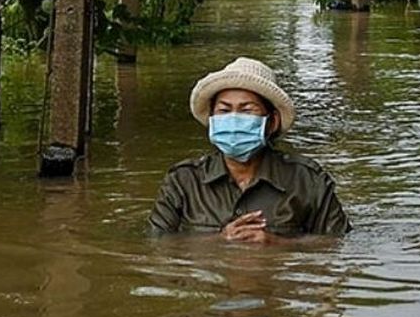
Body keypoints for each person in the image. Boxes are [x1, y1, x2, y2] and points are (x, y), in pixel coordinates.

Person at [149, 57, 351, 241]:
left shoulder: (307, 180)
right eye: (224, 110)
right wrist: (218, 240)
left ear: (272, 122)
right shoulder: (183, 181)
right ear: (212, 119)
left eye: (247, 110)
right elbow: (155, 244)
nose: (234, 119)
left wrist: (278, 244)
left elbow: (338, 245)